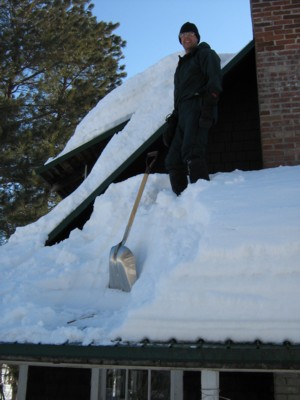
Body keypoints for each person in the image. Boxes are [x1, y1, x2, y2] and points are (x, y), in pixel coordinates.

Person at [163, 22, 222, 195]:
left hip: (198, 106)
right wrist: (173, 120)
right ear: (180, 40)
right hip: (183, 112)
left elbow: (214, 83)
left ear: (197, 37)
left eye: (190, 34)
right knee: (173, 159)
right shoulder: (181, 66)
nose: (186, 38)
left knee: (193, 151)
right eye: (183, 36)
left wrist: (207, 108)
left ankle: (202, 199)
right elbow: (178, 99)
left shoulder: (206, 54)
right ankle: (181, 200)